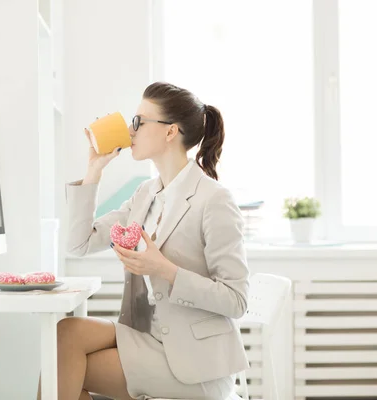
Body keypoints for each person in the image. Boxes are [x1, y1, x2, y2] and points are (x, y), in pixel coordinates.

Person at [38, 81, 250, 400]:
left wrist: (166, 270)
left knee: (64, 368)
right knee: (65, 335)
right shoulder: (146, 194)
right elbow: (78, 244)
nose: (129, 130)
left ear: (169, 132)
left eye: (138, 121)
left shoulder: (213, 200)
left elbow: (237, 300)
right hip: (150, 339)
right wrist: (94, 169)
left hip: (197, 364)